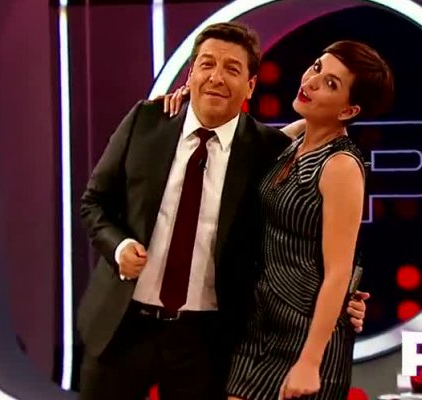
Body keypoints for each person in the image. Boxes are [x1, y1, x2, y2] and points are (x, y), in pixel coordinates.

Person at [76, 22, 370, 400]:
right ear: (191, 74)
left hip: (207, 342)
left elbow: (305, 233)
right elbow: (94, 202)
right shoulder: (146, 121)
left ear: (250, 86)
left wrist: (346, 300)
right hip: (122, 327)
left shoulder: (267, 150)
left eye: (231, 69)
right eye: (207, 65)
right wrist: (118, 247)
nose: (216, 77)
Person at [162, 40, 394, 399]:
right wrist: (191, 101)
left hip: (306, 335)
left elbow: (338, 272)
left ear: (349, 110)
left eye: (331, 84)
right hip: (260, 325)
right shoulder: (292, 140)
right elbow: (234, 139)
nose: (312, 82)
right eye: (317, 67)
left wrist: (310, 361)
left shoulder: (341, 166)